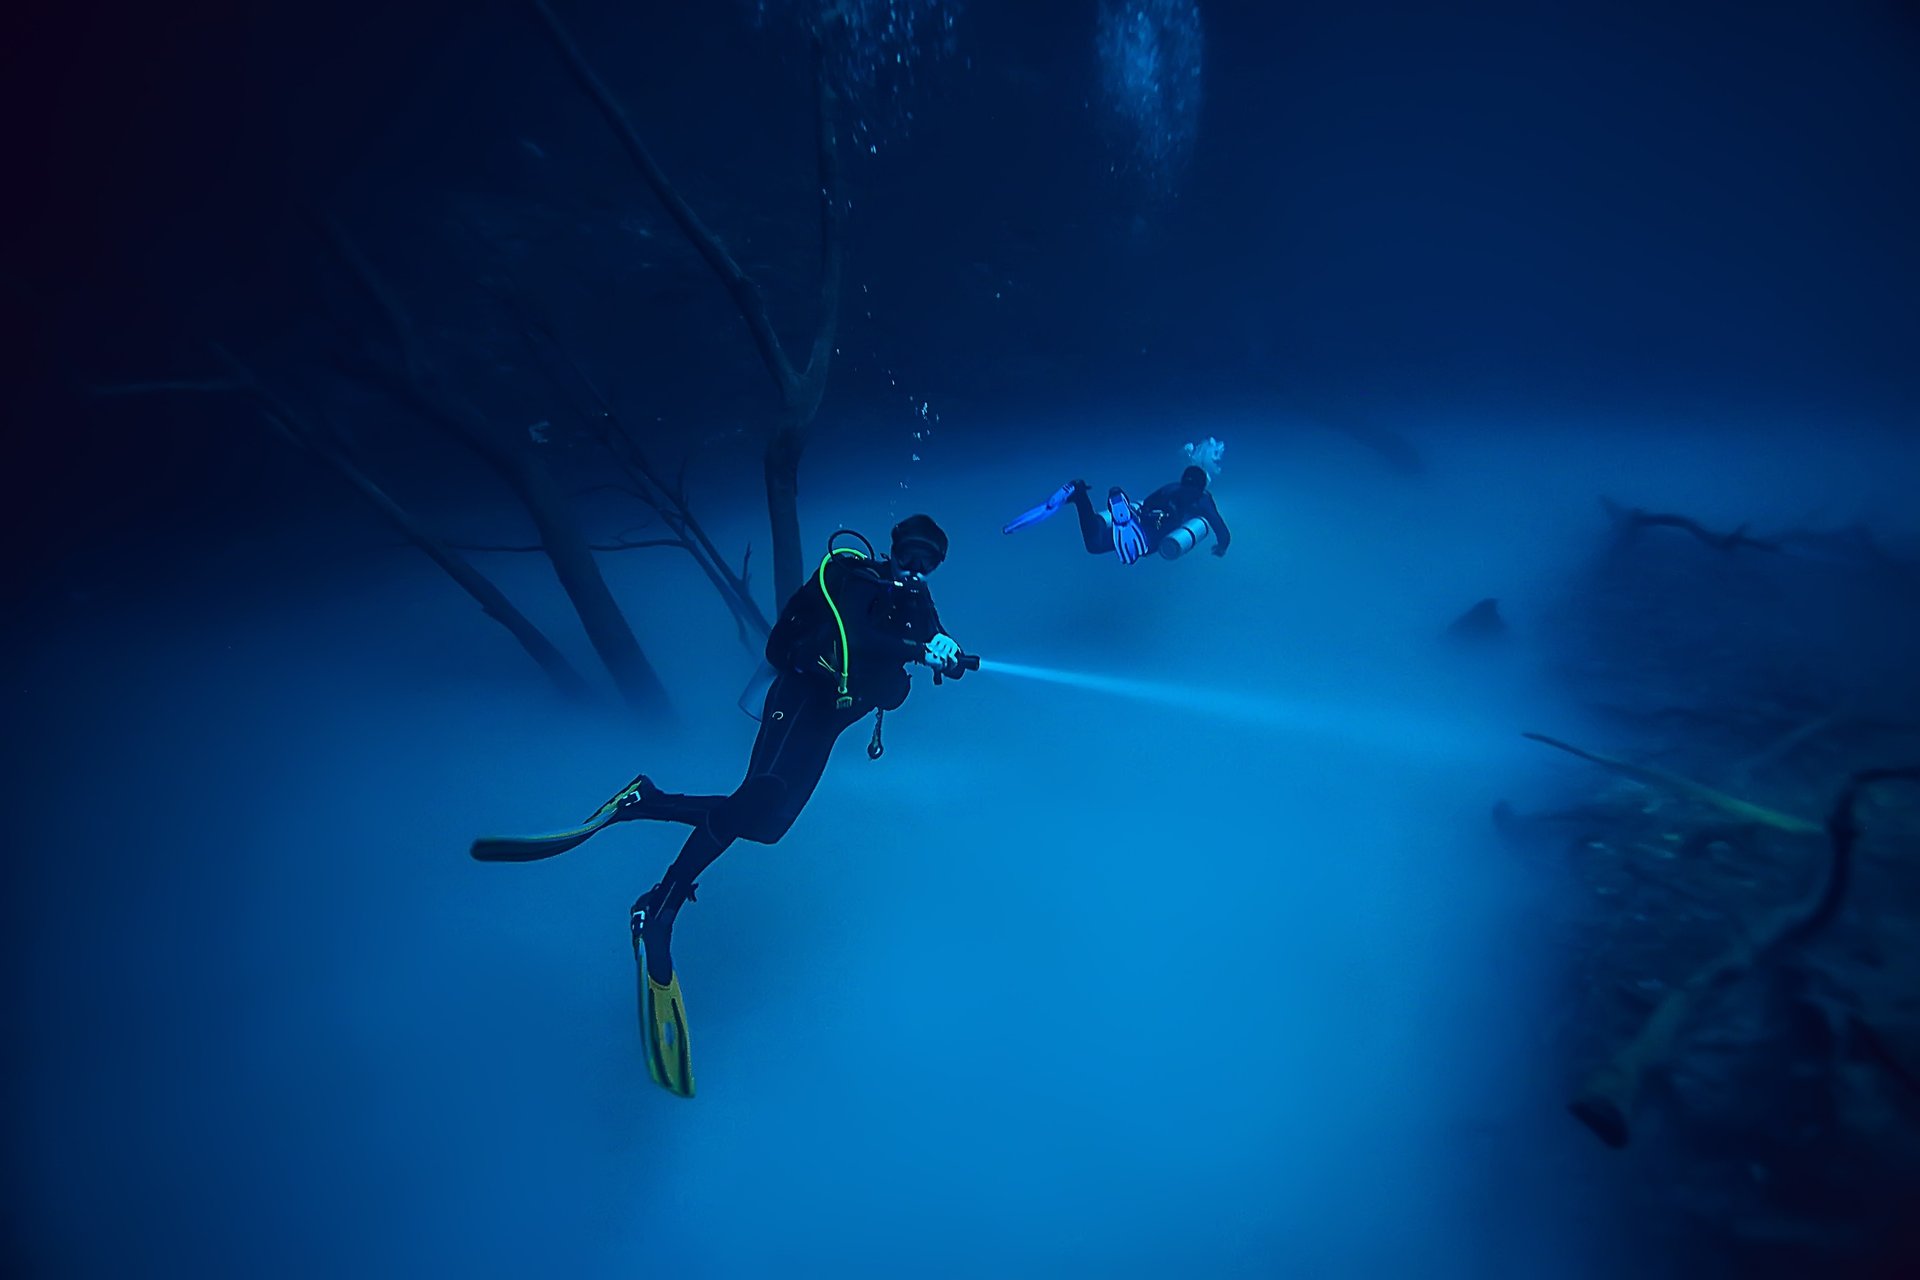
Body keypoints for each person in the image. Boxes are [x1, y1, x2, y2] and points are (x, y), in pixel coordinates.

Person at [470, 514, 972, 1097]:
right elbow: (856, 637)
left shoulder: (919, 607)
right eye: (911, 555)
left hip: (830, 720)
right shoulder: (854, 575)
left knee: (769, 826)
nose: (917, 568)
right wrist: (919, 648)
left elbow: (918, 657)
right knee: (761, 794)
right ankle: (660, 907)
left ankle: (645, 802)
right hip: (800, 697)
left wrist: (945, 655)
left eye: (930, 562)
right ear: (893, 550)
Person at [1004, 466, 1232, 565]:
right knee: (1142, 547)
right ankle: (1129, 527)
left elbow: (1148, 503)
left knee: (1095, 543)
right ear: (1202, 487)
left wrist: (1142, 515)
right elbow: (1219, 527)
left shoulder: (1172, 488)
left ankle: (1080, 496)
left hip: (1142, 517)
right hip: (1154, 532)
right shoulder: (1203, 501)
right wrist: (1222, 546)